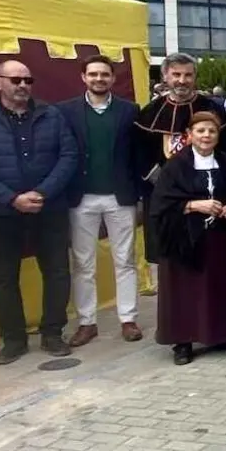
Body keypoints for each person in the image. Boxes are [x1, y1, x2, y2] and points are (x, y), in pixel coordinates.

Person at [0, 60, 78, 364]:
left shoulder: (51, 115)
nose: (23, 85)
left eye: (28, 80)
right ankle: (13, 339)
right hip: (1, 212)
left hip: (48, 207)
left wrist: (42, 193)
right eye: (16, 80)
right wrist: (11, 198)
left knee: (56, 271)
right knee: (4, 277)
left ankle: (52, 333)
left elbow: (68, 156)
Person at [149, 111, 226, 365]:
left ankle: (222, 335)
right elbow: (161, 204)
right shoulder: (175, 166)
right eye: (201, 131)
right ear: (189, 135)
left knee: (218, 288)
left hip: (218, 238)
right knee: (184, 291)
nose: (206, 136)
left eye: (212, 131)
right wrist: (194, 205)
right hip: (184, 239)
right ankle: (183, 341)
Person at [57, 55, 142, 347]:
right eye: (93, 74)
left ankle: (128, 318)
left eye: (104, 74)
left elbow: (136, 154)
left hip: (120, 196)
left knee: (126, 260)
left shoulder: (130, 111)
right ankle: (87, 322)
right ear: (83, 77)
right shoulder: (65, 111)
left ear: (112, 78)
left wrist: (138, 190)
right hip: (81, 197)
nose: (99, 79)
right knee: (83, 263)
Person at [135, 53, 226, 293]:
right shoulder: (150, 112)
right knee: (171, 266)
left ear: (194, 77)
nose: (182, 80)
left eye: (188, 75)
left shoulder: (213, 109)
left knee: (208, 264)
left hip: (208, 196)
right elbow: (142, 157)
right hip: (168, 201)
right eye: (176, 74)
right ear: (165, 76)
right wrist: (170, 188)